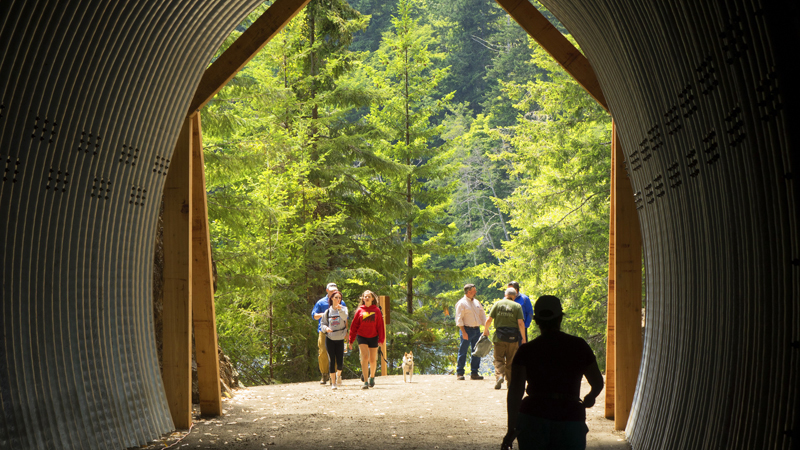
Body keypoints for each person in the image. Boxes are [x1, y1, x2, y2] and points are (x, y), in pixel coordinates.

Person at [502, 295, 604, 450]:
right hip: (570, 416)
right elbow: (597, 382)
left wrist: (511, 429)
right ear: (560, 319)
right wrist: (590, 397)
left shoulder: (526, 351)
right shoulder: (578, 346)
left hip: (533, 415)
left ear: (536, 321)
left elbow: (516, 391)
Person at [484, 287, 527, 390]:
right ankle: (510, 383)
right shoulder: (517, 306)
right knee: (511, 360)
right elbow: (521, 323)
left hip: (499, 337)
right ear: (514, 296)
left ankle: (499, 376)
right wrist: (523, 338)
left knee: (499, 358)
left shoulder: (498, 304)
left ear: (505, 295)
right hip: (513, 338)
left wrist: (485, 331)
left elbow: (489, 319)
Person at [348, 290, 385, 390]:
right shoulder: (360, 310)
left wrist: (381, 339)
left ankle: (372, 377)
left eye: (369, 296)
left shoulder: (376, 310)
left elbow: (380, 326)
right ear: (363, 298)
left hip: (373, 337)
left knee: (372, 360)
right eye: (365, 296)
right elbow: (354, 326)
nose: (367, 298)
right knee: (364, 357)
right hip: (362, 336)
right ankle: (365, 381)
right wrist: (351, 340)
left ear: (372, 298)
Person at [311, 282, 346, 384]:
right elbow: (314, 315)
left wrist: (346, 332)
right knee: (322, 353)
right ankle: (324, 374)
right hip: (323, 331)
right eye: (331, 291)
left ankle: (333, 376)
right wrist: (324, 315)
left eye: (334, 290)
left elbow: (345, 318)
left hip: (337, 332)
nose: (333, 292)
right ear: (327, 291)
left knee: (336, 354)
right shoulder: (321, 303)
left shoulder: (341, 302)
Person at [454, 283, 487, 380]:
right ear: (469, 292)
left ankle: (474, 373)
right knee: (463, 351)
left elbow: (482, 315)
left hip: (476, 329)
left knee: (477, 351)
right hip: (466, 329)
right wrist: (463, 332)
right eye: (474, 291)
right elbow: (459, 319)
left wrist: (486, 328)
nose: (476, 292)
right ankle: (460, 373)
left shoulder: (476, 302)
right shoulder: (462, 303)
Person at [319, 290, 348, 390]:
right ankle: (333, 383)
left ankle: (339, 375)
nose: (338, 300)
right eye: (336, 297)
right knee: (331, 359)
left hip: (340, 338)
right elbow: (322, 324)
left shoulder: (344, 309)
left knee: (340, 361)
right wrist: (326, 329)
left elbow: (345, 317)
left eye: (339, 298)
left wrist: (340, 309)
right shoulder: (327, 312)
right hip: (330, 338)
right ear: (331, 298)